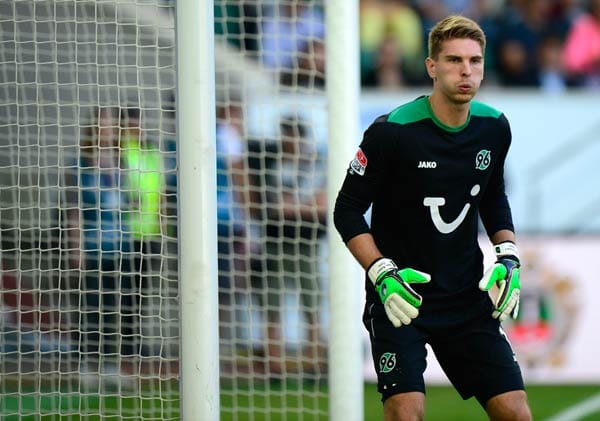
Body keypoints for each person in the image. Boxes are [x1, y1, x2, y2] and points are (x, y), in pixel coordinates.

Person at [333, 15, 532, 420]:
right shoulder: (393, 132)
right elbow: (347, 210)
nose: (466, 71)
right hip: (401, 296)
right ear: (431, 67)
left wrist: (508, 253)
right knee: (407, 414)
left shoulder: (494, 128)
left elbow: (492, 193)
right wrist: (381, 272)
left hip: (466, 298)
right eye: (454, 60)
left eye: (475, 61)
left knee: (516, 412)